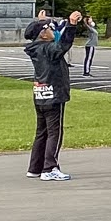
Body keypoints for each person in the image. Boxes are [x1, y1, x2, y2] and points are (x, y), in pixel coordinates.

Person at [25, 11, 84, 180]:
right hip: (54, 94)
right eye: (50, 28)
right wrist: (72, 25)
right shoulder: (49, 49)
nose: (53, 30)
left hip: (40, 94)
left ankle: (35, 167)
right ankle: (50, 167)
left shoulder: (36, 48)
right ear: (43, 34)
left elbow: (56, 40)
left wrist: (41, 21)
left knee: (41, 132)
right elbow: (63, 44)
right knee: (54, 132)